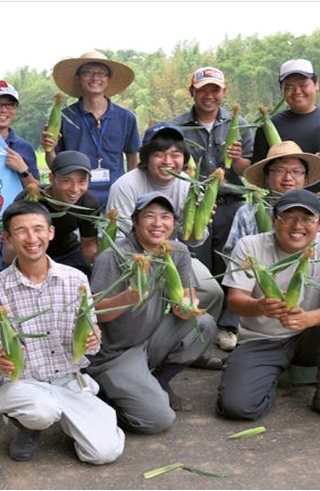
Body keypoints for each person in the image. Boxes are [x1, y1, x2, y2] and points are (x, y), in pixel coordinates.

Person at [0, 200, 124, 463]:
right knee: (41, 411)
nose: (31, 238)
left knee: (105, 452)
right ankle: (28, 426)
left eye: (38, 229)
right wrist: (3, 359)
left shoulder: (76, 279)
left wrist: (93, 338)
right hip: (25, 382)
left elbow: (90, 343)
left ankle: (72, 419)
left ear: (51, 232)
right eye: (21, 230)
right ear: (8, 237)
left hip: (69, 380)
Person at [218, 189, 320, 425]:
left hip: (309, 336)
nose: (297, 226)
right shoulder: (250, 246)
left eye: (307, 219)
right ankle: (269, 375)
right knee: (237, 407)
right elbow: (235, 300)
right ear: (274, 219)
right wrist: (260, 306)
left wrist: (309, 319)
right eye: (288, 217)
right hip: (262, 338)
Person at [88, 192, 218, 432]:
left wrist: (186, 306)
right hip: (115, 352)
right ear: (135, 222)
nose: (158, 224)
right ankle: (103, 399)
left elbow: (188, 294)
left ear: (173, 223)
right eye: (149, 216)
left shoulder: (177, 251)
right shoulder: (113, 256)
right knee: (158, 421)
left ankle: (160, 381)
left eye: (165, 217)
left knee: (203, 323)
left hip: (149, 338)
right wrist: (128, 297)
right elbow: (95, 314)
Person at [219, 140, 320, 352]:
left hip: (308, 293)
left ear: (306, 177)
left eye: (296, 171)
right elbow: (232, 258)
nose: (288, 177)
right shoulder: (247, 212)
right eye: (279, 170)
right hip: (256, 293)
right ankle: (235, 330)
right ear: (266, 176)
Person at [105, 122, 224, 322]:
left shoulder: (189, 186)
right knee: (145, 294)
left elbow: (195, 241)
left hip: (173, 256)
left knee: (212, 292)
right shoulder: (125, 186)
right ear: (146, 157)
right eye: (159, 154)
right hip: (133, 260)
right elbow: (117, 238)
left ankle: (183, 334)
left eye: (175, 154)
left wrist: (195, 225)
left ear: (184, 158)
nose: (168, 161)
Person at [171, 66, 254, 275]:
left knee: (231, 271)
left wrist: (237, 159)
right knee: (198, 272)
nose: (209, 96)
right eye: (202, 90)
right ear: (192, 92)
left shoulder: (240, 125)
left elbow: (250, 173)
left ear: (224, 92)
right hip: (193, 208)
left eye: (215, 90)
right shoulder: (176, 128)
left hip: (230, 208)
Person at [251, 59, 320, 206]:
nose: (297, 91)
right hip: (281, 210)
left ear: (316, 85)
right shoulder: (268, 125)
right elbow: (260, 170)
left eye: (303, 85)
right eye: (289, 87)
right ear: (281, 90)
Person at [44, 51, 141, 207]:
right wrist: (48, 149)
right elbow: (56, 165)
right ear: (78, 78)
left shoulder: (126, 117)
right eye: (87, 72)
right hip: (77, 199)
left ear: (108, 80)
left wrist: (131, 193)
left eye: (101, 73)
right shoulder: (65, 117)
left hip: (116, 198)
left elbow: (132, 159)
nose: (95, 77)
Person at [2, 151, 102, 277]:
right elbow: (10, 248)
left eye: (82, 182)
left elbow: (89, 244)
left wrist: (98, 267)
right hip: (29, 251)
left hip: (67, 253)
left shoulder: (89, 204)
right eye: (67, 181)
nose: (75, 189)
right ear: (52, 179)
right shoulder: (31, 197)